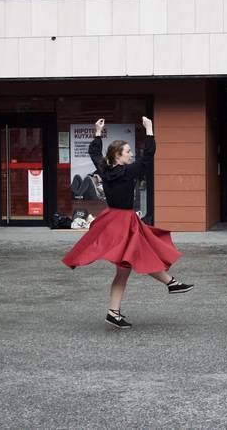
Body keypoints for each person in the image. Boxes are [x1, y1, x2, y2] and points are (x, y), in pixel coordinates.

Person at [62, 117, 193, 329]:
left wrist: (97, 132)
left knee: (133, 261)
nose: (131, 154)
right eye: (128, 152)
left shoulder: (105, 169)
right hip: (123, 221)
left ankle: (167, 285)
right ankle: (166, 285)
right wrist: (149, 130)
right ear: (118, 156)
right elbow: (148, 157)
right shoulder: (127, 171)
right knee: (132, 261)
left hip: (113, 219)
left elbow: (94, 153)